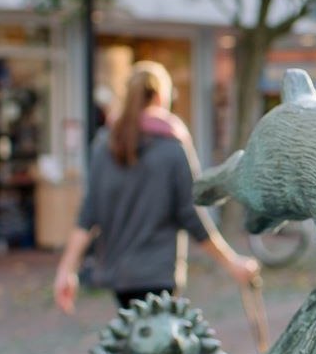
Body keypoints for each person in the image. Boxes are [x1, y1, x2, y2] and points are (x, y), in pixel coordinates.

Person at [54, 62, 258, 313]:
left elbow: (88, 215)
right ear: (162, 97)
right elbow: (191, 216)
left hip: (120, 277)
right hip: (159, 274)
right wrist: (232, 263)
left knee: (135, 340)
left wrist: (66, 271)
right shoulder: (171, 146)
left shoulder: (104, 144)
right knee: (156, 346)